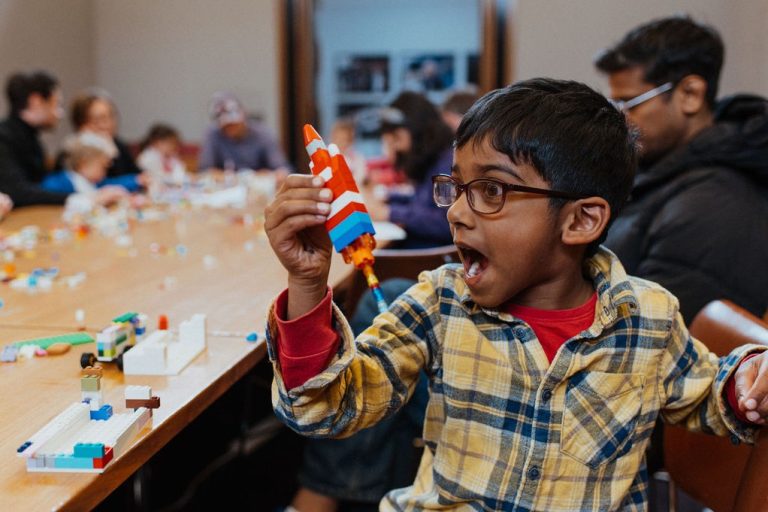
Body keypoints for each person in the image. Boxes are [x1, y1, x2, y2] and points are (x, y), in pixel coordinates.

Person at [263, 78, 768, 511]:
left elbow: (710, 395)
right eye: (457, 188)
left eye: (491, 191)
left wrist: (749, 379)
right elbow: (326, 408)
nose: (457, 213)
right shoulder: (440, 303)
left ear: (580, 220)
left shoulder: (648, 318)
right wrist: (308, 284)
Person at [595, 15, 768, 324]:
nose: (620, 117)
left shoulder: (715, 201)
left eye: (631, 103)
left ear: (690, 94)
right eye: (615, 102)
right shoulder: (659, 170)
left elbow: (651, 333)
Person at [368, 92, 454, 249]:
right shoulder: (437, 159)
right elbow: (423, 201)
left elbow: (445, 221)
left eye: (397, 138)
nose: (395, 146)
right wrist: (390, 199)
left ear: (417, 131)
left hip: (427, 260)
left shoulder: (446, 164)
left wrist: (389, 213)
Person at [0, 71, 70, 206]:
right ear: (36, 101)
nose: (60, 113)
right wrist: (73, 199)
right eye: (56, 104)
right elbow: (17, 192)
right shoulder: (4, 138)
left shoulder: (31, 138)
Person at [198, 92, 291, 175]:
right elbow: (205, 171)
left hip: (259, 188)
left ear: (244, 115)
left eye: (234, 124)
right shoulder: (212, 134)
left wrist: (266, 176)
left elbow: (282, 169)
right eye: (226, 126)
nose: (231, 128)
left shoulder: (263, 133)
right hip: (226, 190)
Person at [42, 131, 136, 211]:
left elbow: (112, 183)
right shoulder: (61, 182)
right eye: (102, 167)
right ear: (83, 164)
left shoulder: (92, 182)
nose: (105, 172)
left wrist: (135, 181)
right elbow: (48, 196)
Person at [60, 88, 143, 178]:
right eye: (99, 119)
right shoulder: (70, 151)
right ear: (82, 125)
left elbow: (137, 174)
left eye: (111, 116)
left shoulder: (118, 145)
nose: (108, 124)